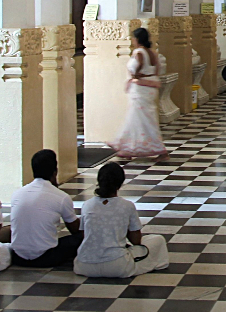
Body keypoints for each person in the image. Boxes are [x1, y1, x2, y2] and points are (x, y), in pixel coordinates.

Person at [74, 163, 169, 278]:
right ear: (120, 183)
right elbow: (136, 241)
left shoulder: (87, 205)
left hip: (83, 265)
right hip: (116, 266)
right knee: (157, 240)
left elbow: (85, 234)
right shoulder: (127, 206)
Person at [10, 150, 83, 267]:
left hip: (18, 258)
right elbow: (75, 229)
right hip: (46, 258)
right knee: (81, 238)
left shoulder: (17, 193)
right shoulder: (61, 196)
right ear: (55, 172)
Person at [108, 28, 169, 162]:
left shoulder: (139, 52)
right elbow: (158, 69)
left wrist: (136, 74)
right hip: (151, 87)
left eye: (134, 38)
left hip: (140, 88)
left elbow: (138, 64)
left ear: (137, 39)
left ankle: (158, 149)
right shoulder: (153, 53)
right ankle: (128, 147)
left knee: (141, 119)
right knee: (140, 118)